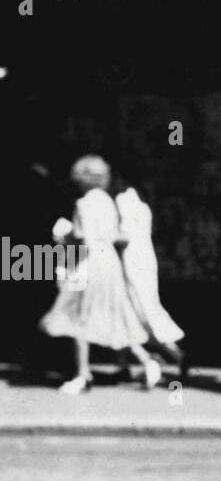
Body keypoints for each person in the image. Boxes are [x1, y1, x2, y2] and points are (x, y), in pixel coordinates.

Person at [39, 155, 161, 394]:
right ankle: (147, 360)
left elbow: (81, 237)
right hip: (110, 263)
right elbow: (117, 235)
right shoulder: (107, 201)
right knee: (116, 315)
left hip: (89, 262)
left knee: (79, 319)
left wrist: (63, 236)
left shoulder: (83, 204)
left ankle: (82, 374)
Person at [114, 177, 187, 378]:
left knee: (132, 310)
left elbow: (124, 235)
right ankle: (125, 363)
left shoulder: (123, 200)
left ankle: (173, 354)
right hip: (145, 259)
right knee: (142, 309)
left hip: (130, 262)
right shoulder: (142, 204)